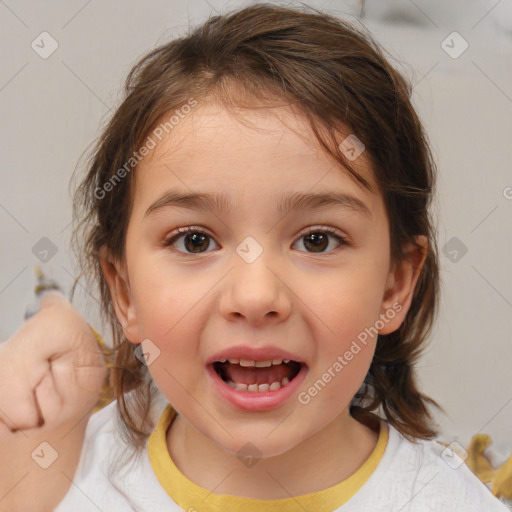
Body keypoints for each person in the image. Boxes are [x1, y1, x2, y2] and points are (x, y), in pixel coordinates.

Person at [1, 3, 509, 511]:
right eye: (194, 241)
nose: (256, 295)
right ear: (124, 289)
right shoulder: (53, 481)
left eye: (317, 240)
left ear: (394, 286)